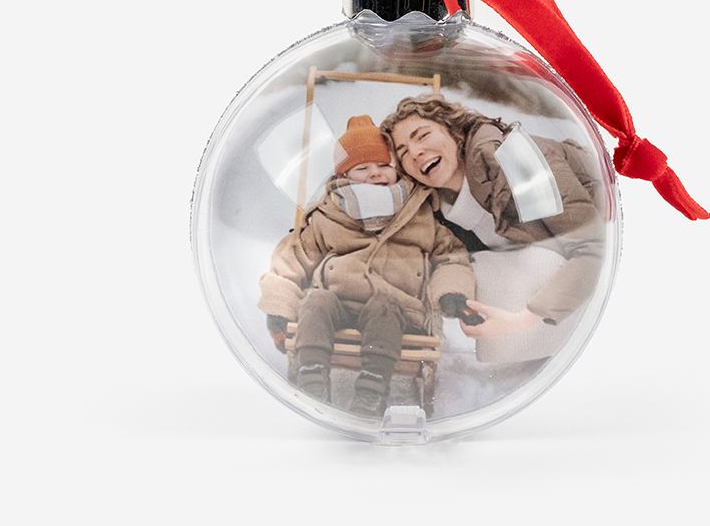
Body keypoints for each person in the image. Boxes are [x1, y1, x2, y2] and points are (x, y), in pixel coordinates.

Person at [259, 115, 476, 417]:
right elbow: (291, 258)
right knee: (317, 301)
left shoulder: (418, 213)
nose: (375, 173)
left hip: (398, 309)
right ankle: (312, 377)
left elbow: (451, 256)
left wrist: (452, 292)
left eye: (383, 165)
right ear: (344, 175)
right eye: (362, 168)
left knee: (383, 306)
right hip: (338, 305)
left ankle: (372, 390)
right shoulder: (328, 215)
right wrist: (279, 309)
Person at [381, 96, 605, 354]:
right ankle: (521, 364)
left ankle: (540, 358)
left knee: (534, 260)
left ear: (455, 131)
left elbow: (594, 249)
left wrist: (520, 321)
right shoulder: (439, 208)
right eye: (403, 153)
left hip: (608, 273)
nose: (415, 152)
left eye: (423, 135)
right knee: (482, 265)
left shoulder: (517, 160)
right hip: (563, 290)